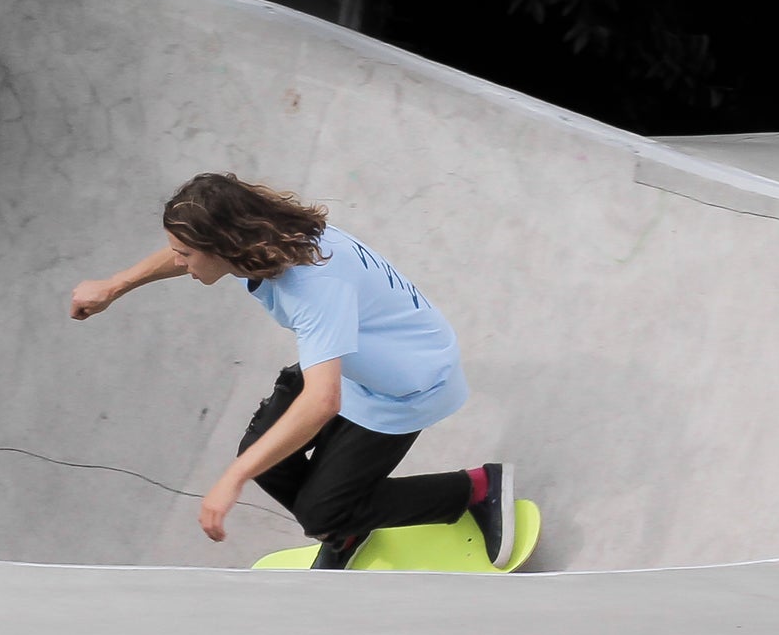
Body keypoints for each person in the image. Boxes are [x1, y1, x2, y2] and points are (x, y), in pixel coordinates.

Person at [69, 172, 511, 568]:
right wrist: (115, 285)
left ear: (222, 245)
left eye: (185, 254)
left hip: (407, 386)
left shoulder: (312, 287)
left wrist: (231, 480)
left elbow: (322, 401)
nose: (179, 262)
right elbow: (186, 251)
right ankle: (350, 525)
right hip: (348, 362)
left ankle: (474, 488)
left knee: (320, 512)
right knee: (266, 458)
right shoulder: (264, 241)